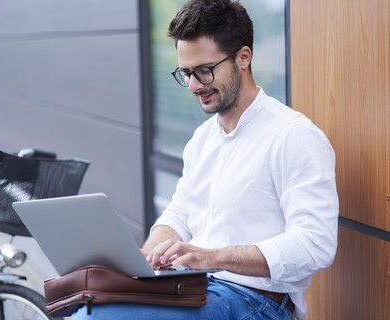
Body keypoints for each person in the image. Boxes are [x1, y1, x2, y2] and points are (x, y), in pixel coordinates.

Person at [72, 0, 338, 319]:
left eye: (204, 71)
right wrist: (151, 251)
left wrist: (211, 257)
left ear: (243, 57)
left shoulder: (293, 136)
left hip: (258, 302)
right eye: (186, 74)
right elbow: (180, 212)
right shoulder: (203, 139)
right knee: (89, 306)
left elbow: (315, 244)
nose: (194, 86)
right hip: (196, 288)